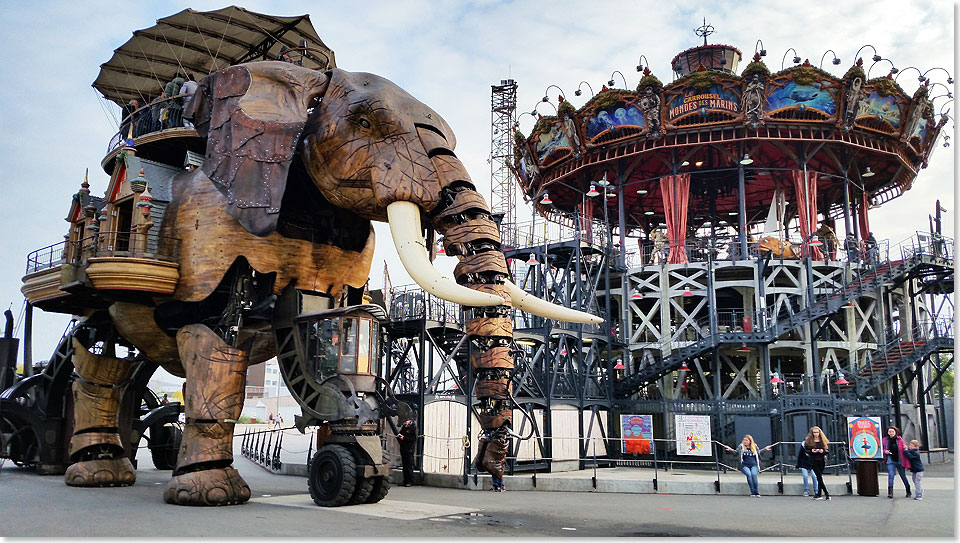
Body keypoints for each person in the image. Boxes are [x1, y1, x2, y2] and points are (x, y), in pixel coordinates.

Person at [882, 426, 912, 498]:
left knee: (903, 476)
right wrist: (885, 451)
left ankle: (908, 490)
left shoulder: (900, 440)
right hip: (890, 460)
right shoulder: (885, 440)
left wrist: (906, 448)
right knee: (891, 476)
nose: (891, 433)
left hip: (899, 460)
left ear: (896, 432)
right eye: (889, 431)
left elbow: (904, 449)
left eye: (892, 431)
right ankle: (890, 492)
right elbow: (881, 449)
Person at [803, 426, 831, 500]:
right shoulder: (808, 441)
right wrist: (812, 451)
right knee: (819, 477)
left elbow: (827, 451)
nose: (816, 434)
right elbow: (806, 450)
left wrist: (823, 451)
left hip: (821, 460)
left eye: (817, 432)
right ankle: (826, 493)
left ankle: (819, 494)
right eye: (814, 432)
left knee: (819, 477)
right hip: (813, 461)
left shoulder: (823, 440)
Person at [397, 417, 418, 487]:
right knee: (405, 465)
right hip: (404, 448)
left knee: (409, 465)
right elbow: (400, 433)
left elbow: (413, 438)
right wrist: (400, 436)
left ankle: (410, 481)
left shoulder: (413, 428)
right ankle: (405, 480)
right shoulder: (404, 427)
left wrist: (404, 438)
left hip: (409, 449)